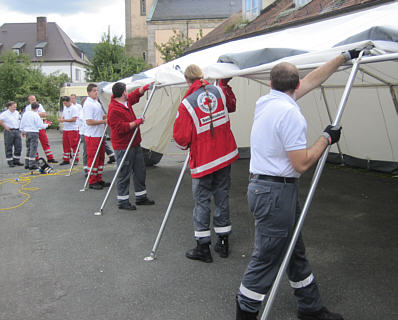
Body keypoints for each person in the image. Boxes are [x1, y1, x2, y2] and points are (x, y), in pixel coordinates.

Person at [235, 50, 362, 320]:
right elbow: (301, 164)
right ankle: (244, 313)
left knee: (294, 249)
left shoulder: (266, 102)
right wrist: (326, 139)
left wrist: (344, 57)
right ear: (295, 85)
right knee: (266, 258)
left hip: (270, 189)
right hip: (275, 193)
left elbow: (312, 80)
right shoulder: (290, 115)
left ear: (272, 84)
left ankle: (310, 308)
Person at [173, 64, 239, 263]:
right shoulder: (218, 90)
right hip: (224, 155)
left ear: (187, 80)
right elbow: (232, 106)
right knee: (222, 197)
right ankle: (223, 242)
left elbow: (181, 137)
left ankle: (203, 247)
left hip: (203, 161)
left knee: (202, 202)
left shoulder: (186, 103)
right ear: (202, 77)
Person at [107, 82, 155, 210]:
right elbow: (120, 128)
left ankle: (141, 197)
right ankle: (122, 201)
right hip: (123, 146)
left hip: (134, 143)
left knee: (140, 170)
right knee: (124, 173)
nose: (128, 92)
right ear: (123, 93)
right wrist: (136, 122)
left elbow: (133, 96)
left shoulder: (125, 102)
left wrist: (143, 89)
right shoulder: (113, 109)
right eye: (126, 91)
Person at [83, 83, 110, 190]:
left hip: (99, 134)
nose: (96, 92)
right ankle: (92, 181)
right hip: (92, 135)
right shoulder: (88, 104)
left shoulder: (96, 103)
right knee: (93, 159)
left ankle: (99, 178)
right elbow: (89, 121)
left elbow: (98, 116)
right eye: (94, 91)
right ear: (89, 92)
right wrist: (103, 121)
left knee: (100, 158)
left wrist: (106, 116)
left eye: (97, 90)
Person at [25, 95, 57, 163]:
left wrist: (35, 113)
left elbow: (44, 114)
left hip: (40, 128)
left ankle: (50, 158)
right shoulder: (27, 108)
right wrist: (38, 114)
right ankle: (35, 158)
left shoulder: (39, 105)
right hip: (33, 129)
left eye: (34, 99)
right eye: (32, 100)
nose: (34, 101)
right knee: (33, 145)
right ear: (29, 100)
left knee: (45, 142)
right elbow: (29, 116)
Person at [20, 102, 49, 170]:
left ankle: (27, 163)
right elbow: (40, 125)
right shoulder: (35, 115)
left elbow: (22, 123)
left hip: (27, 132)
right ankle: (32, 164)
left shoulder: (25, 114)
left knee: (28, 148)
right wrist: (47, 125)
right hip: (34, 132)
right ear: (37, 108)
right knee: (33, 149)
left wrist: (22, 130)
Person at [0, 101, 23, 167]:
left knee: (18, 146)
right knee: (8, 146)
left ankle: (16, 160)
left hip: (17, 130)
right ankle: (10, 161)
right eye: (13, 107)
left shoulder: (16, 113)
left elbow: (19, 120)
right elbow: (0, 120)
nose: (15, 108)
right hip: (9, 131)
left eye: (15, 107)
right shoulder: (5, 113)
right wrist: (5, 126)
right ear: (9, 106)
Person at [58, 96, 80, 165]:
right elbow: (64, 116)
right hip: (66, 128)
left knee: (74, 144)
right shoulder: (65, 108)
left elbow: (74, 119)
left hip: (73, 129)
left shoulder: (74, 108)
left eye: (65, 103)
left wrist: (64, 120)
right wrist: (61, 118)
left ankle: (76, 159)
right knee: (65, 144)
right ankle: (66, 159)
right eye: (64, 103)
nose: (65, 104)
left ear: (69, 101)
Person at [76, 96, 88, 176]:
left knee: (87, 151)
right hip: (85, 133)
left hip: (85, 133)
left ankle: (87, 167)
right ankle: (86, 168)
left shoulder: (83, 111)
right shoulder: (83, 112)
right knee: (87, 151)